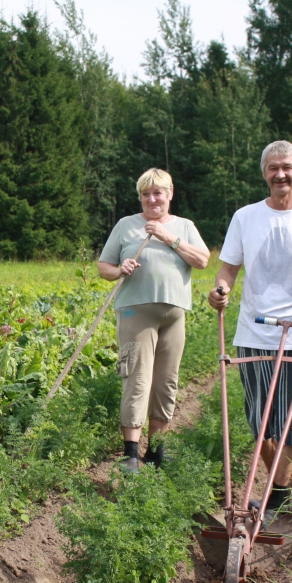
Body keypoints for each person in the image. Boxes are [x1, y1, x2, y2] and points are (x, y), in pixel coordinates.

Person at [207, 140, 292, 522]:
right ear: (264, 173)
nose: (280, 174)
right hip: (253, 333)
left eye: (287, 167)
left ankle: (277, 498)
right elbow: (228, 271)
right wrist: (219, 292)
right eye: (273, 168)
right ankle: (276, 492)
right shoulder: (245, 217)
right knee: (262, 424)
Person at [98, 168, 210, 472]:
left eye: (157, 192)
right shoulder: (126, 225)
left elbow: (202, 260)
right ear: (140, 197)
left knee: (166, 382)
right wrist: (120, 268)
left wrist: (168, 238)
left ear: (170, 193)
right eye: (145, 194)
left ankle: (157, 450)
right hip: (134, 313)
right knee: (135, 376)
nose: (152, 199)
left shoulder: (184, 226)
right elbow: (103, 267)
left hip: (174, 317)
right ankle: (130, 453)